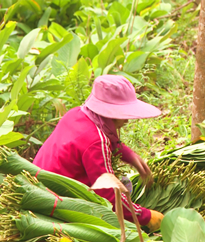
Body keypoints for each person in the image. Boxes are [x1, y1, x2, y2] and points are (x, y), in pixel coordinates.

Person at [33, 75, 164, 231]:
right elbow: (109, 196)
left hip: (37, 187)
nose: (127, 121)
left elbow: (96, 138)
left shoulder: (76, 114)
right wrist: (146, 216)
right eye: (124, 114)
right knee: (121, 191)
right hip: (57, 203)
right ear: (112, 114)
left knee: (125, 183)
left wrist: (131, 157)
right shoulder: (96, 142)